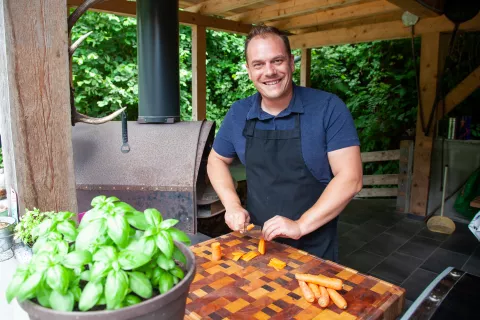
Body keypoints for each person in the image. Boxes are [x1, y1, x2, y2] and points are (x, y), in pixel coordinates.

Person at [206, 26, 363, 261]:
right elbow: (216, 159)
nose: (269, 71)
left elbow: (351, 178)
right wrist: (232, 205)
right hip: (259, 242)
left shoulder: (328, 108)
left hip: (314, 248)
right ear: (249, 71)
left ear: (291, 62)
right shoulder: (239, 113)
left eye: (277, 60)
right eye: (258, 64)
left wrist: (300, 225)